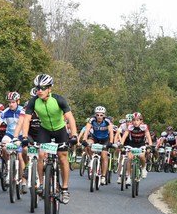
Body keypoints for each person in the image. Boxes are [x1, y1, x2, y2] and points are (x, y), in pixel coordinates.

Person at [18, 74, 78, 204]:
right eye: (37, 88)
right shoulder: (34, 101)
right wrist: (24, 137)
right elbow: (26, 120)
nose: (40, 90)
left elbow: (70, 118)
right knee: (41, 154)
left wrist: (74, 135)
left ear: (49, 88)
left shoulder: (59, 99)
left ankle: (65, 188)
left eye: (43, 88)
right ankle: (41, 183)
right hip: (44, 130)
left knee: (62, 157)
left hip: (60, 130)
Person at [79, 106, 114, 178]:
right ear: (95, 115)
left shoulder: (107, 121)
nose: (99, 117)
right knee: (88, 144)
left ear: (104, 115)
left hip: (105, 139)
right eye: (97, 115)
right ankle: (92, 160)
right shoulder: (92, 120)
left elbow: (111, 132)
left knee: (104, 155)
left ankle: (103, 176)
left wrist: (111, 142)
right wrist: (84, 140)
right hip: (94, 138)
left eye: (101, 115)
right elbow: (87, 130)